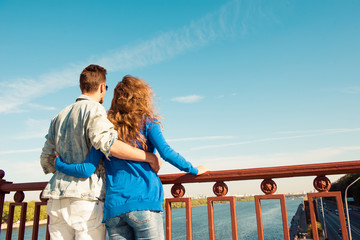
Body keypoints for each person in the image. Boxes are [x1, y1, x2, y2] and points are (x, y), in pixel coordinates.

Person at [55, 75, 209, 240]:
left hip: (114, 210)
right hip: (144, 203)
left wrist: (58, 163)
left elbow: (86, 169)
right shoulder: (147, 122)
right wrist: (193, 169)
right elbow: (166, 153)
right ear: (142, 97)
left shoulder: (105, 129)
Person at [40, 65, 161, 240]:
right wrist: (148, 156)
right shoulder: (95, 110)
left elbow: (45, 161)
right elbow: (110, 145)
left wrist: (61, 165)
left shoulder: (58, 117)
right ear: (102, 86)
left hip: (56, 199)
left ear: (82, 86)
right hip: (86, 200)